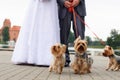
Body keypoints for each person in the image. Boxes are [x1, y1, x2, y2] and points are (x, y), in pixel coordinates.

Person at [11, 0, 60, 66]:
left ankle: (45, 58)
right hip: (36, 3)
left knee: (47, 25)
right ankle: (28, 57)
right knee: (33, 25)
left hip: (49, 4)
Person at [57, 0, 86, 66]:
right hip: (64, 9)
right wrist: (62, 2)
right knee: (63, 35)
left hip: (79, 8)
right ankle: (65, 58)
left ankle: (81, 59)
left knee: (80, 35)